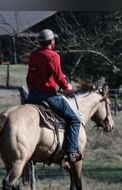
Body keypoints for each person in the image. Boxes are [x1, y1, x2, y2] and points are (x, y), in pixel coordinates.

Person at [26, 29, 81, 163]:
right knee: (75, 119)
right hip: (48, 97)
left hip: (32, 96)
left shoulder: (32, 55)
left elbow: (29, 78)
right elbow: (58, 77)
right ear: (51, 41)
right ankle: (71, 151)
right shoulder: (53, 56)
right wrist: (67, 88)